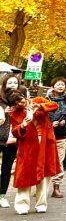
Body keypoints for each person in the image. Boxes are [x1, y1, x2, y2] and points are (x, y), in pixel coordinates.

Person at [12, 92, 61, 214]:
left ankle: (41, 204)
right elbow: (14, 131)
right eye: (16, 102)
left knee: (44, 175)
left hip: (45, 143)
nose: (20, 103)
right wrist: (22, 125)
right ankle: (22, 205)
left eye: (21, 100)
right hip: (28, 146)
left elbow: (54, 105)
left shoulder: (38, 101)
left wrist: (39, 107)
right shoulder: (15, 113)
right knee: (25, 174)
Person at [47, 79, 66, 197]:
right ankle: (41, 188)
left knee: (59, 162)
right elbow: (39, 117)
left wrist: (65, 121)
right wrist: (50, 124)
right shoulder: (46, 100)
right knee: (45, 161)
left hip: (61, 135)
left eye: (63, 85)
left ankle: (56, 187)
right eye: (58, 84)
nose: (60, 86)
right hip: (46, 135)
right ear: (53, 86)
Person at [0, 75, 27, 207]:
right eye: (9, 82)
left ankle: (2, 195)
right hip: (0, 137)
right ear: (4, 84)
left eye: (15, 82)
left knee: (6, 168)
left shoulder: (21, 101)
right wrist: (4, 113)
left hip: (14, 139)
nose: (12, 84)